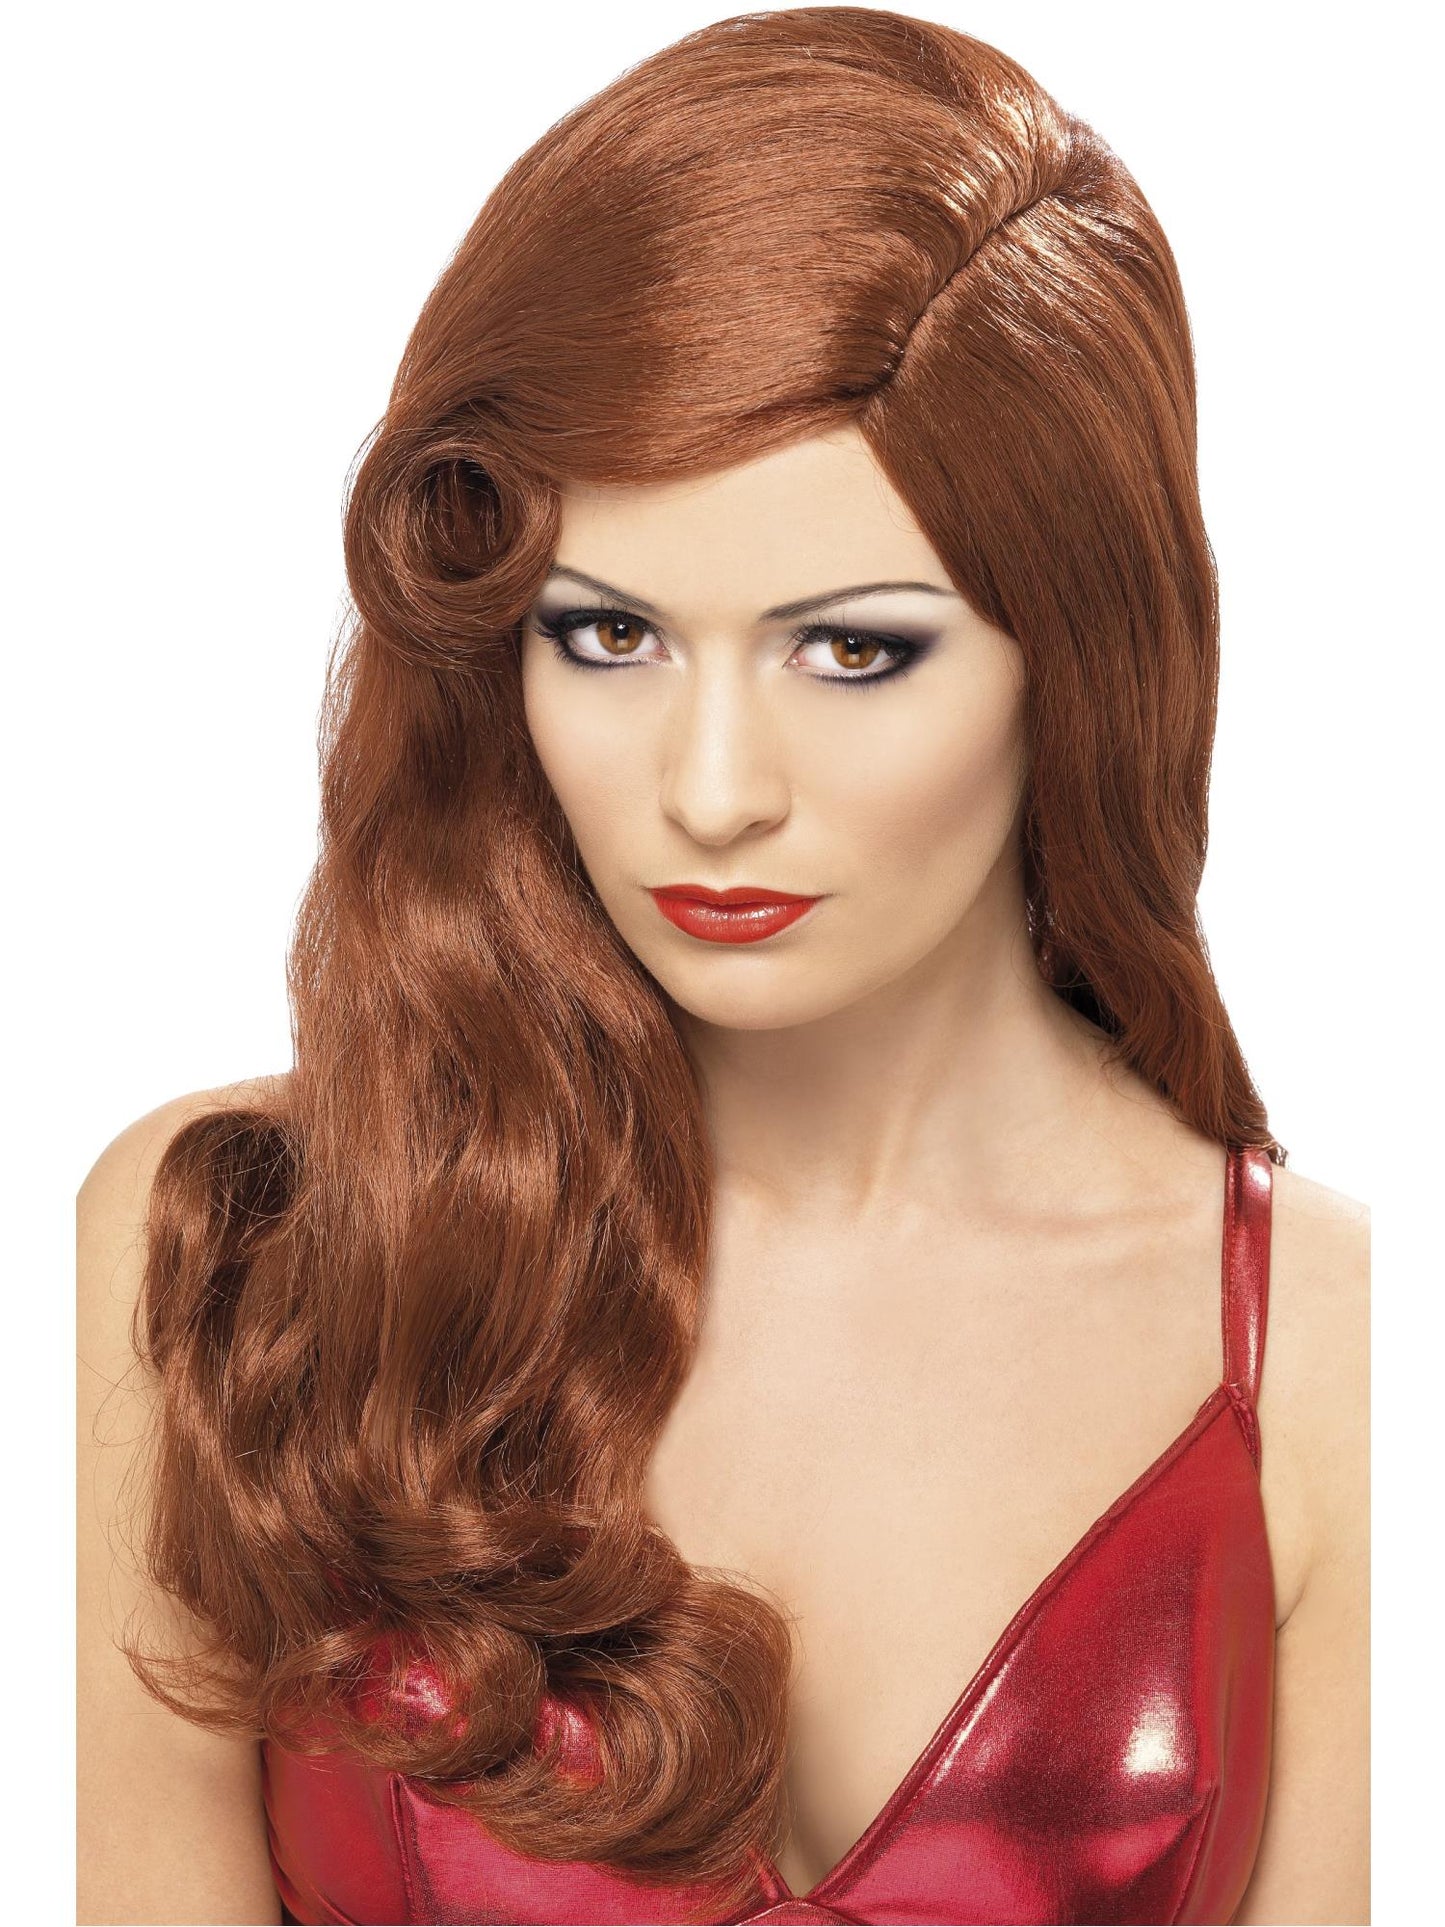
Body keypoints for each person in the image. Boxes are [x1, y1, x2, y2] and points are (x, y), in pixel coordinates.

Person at [77, 8, 1369, 1924]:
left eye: (851, 650)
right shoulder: (231, 1260)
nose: (707, 791)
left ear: (1082, 653)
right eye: (608, 637)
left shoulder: (1336, 1362)